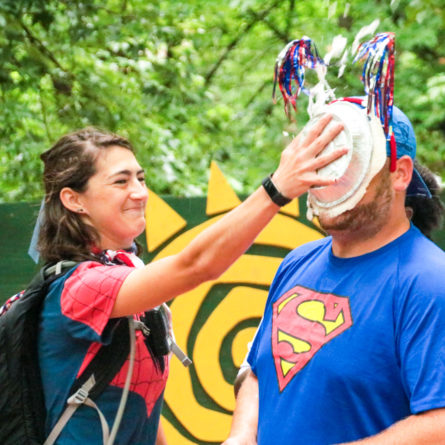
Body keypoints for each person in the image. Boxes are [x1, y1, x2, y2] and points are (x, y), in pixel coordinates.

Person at [35, 116, 346, 445]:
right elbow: (196, 265)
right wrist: (278, 188)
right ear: (74, 200)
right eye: (121, 182)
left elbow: (141, 404)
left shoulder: (126, 270)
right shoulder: (81, 287)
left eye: (140, 178)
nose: (140, 192)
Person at [224, 101, 445, 445]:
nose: (329, 180)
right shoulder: (297, 262)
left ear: (400, 173)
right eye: (322, 163)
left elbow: (440, 425)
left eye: (349, 164)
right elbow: (259, 370)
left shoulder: (430, 282)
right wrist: (240, 437)